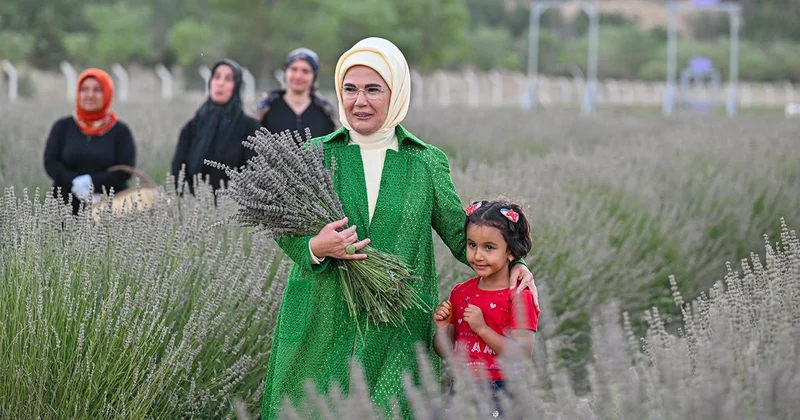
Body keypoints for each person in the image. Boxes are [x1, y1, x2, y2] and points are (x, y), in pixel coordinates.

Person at [260, 37, 540, 420]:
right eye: (350, 89)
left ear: (397, 92)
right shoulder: (316, 153)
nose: (360, 101)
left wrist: (514, 263)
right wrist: (315, 246)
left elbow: (463, 237)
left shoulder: (425, 161)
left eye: (373, 89)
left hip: (399, 320)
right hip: (321, 311)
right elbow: (284, 224)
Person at [432, 199, 539, 418]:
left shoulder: (519, 296)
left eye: (489, 248)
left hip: (503, 389)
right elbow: (445, 352)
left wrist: (482, 329)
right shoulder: (461, 293)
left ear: (511, 251)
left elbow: (521, 354)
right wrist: (443, 329)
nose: (478, 255)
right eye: (472, 245)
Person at [43, 68, 137, 216]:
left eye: (97, 90)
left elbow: (125, 170)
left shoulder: (120, 131)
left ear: (107, 93)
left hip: (110, 208)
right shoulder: (62, 127)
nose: (90, 95)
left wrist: (92, 182)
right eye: (84, 89)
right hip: (64, 209)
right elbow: (50, 162)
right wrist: (74, 182)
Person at [171, 59, 260, 197]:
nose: (220, 83)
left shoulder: (249, 128)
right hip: (194, 209)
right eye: (216, 77)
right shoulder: (192, 127)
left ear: (236, 86)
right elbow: (177, 174)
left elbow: (255, 177)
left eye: (228, 79)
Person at [254, 48, 338, 140]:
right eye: (294, 69)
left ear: (314, 76)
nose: (298, 76)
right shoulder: (266, 108)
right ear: (286, 72)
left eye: (305, 71)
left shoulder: (325, 112)